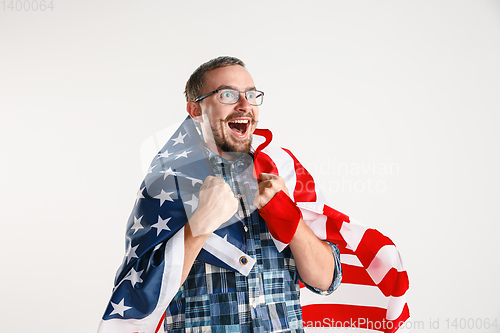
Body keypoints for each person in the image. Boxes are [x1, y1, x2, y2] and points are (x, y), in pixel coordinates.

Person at [99, 56, 409, 333]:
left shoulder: (283, 168)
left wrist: (291, 220)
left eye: (251, 95)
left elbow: (325, 280)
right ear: (195, 110)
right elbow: (140, 292)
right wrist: (200, 225)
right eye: (228, 94)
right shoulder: (168, 183)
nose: (244, 104)